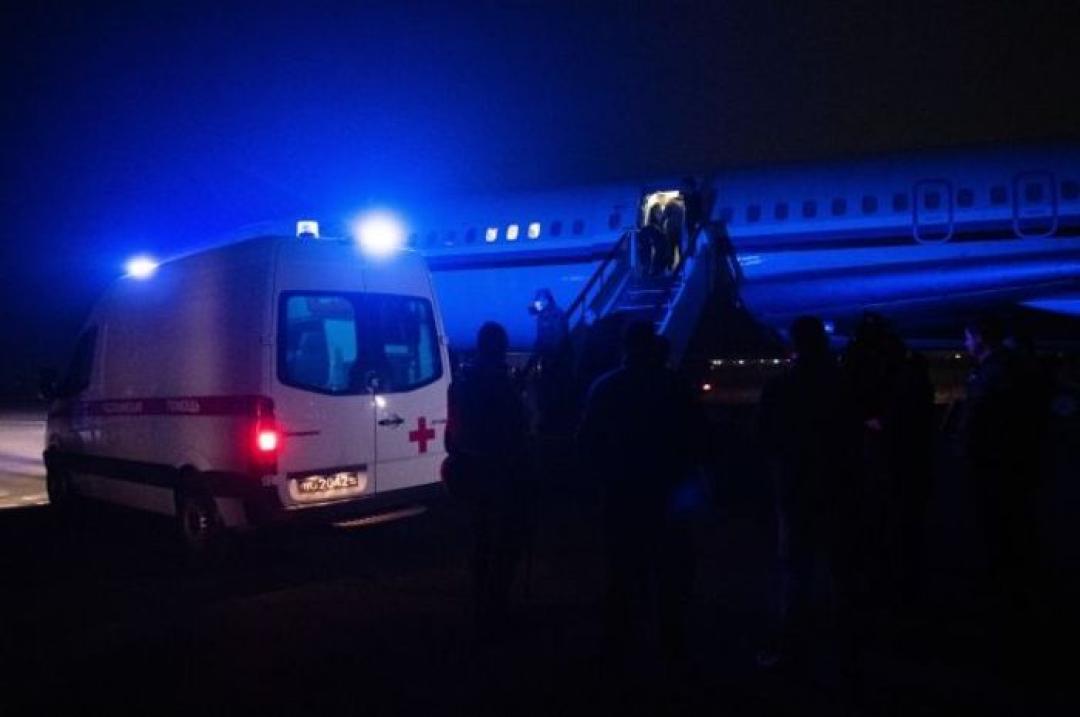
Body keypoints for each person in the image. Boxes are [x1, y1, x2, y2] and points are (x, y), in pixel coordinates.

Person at [577, 321, 708, 666]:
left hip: (622, 493)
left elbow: (587, 442)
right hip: (668, 492)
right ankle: (672, 646)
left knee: (622, 572)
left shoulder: (605, 387)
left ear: (625, 345)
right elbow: (698, 437)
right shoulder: (675, 385)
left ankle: (618, 647)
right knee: (672, 573)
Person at [756, 316, 861, 669]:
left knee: (796, 569)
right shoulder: (843, 382)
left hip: (795, 485)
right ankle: (847, 647)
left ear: (794, 343)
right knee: (841, 567)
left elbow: (764, 436)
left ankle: (793, 646)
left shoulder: (781, 385)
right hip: (839, 482)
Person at [444, 321, 530, 640]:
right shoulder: (501, 385)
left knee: (479, 538)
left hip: (470, 468)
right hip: (500, 471)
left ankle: (480, 601)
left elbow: (452, 431)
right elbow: (517, 429)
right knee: (505, 541)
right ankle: (496, 607)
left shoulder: (461, 382)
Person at [962, 317, 1043, 641]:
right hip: (1010, 466)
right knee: (1012, 532)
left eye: (968, 338)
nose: (966, 344)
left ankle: (1007, 609)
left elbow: (983, 421)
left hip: (997, 467)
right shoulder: (1008, 369)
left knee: (1001, 534)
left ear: (981, 338)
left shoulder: (993, 373)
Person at [527, 288, 574, 435]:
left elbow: (555, 338)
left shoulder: (553, 316)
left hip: (555, 362)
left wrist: (541, 356)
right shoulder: (548, 315)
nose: (537, 302)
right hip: (554, 361)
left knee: (551, 393)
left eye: (539, 299)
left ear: (547, 300)